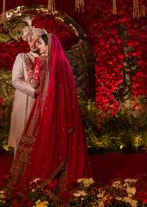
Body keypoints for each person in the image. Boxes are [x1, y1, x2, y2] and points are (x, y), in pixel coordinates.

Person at [10, 32, 91, 191]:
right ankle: (64, 180)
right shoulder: (62, 62)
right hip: (59, 109)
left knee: (41, 141)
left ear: (49, 45)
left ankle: (37, 180)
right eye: (34, 41)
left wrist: (31, 72)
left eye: (39, 42)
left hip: (46, 106)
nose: (37, 45)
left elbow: (35, 84)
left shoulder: (42, 60)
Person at [8, 19, 47, 155]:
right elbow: (16, 80)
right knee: (23, 137)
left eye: (37, 41)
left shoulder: (48, 58)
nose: (33, 44)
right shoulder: (22, 57)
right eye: (31, 40)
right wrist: (34, 91)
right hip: (26, 101)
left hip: (44, 103)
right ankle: (20, 174)